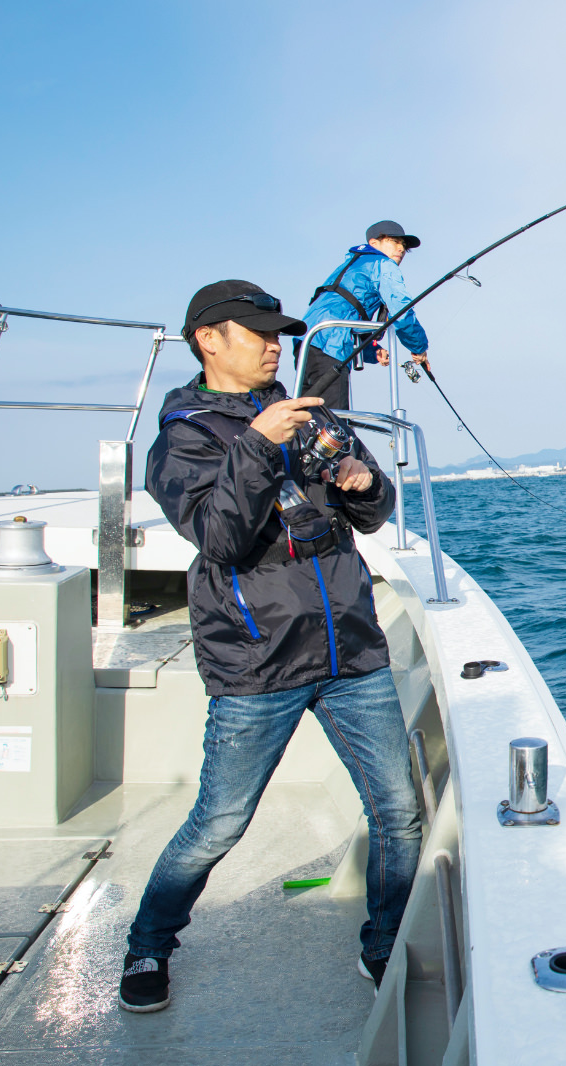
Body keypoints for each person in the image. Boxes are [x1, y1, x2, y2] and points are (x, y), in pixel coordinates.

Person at [118, 279, 422, 1013]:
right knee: (219, 823)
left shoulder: (308, 415)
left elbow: (374, 511)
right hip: (258, 662)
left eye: (278, 333)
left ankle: (381, 945)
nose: (273, 345)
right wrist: (259, 444)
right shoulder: (184, 437)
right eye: (255, 332)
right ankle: (149, 944)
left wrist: (357, 478)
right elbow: (220, 537)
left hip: (351, 647)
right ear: (208, 339)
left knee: (399, 810)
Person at [295, 219, 430, 408]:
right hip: (330, 344)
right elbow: (402, 311)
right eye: (394, 241)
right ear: (374, 243)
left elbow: (346, 313)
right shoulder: (382, 264)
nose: (401, 249)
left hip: (307, 342)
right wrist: (419, 347)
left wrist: (372, 351)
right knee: (335, 423)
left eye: (404, 245)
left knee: (307, 420)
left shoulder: (352, 265)